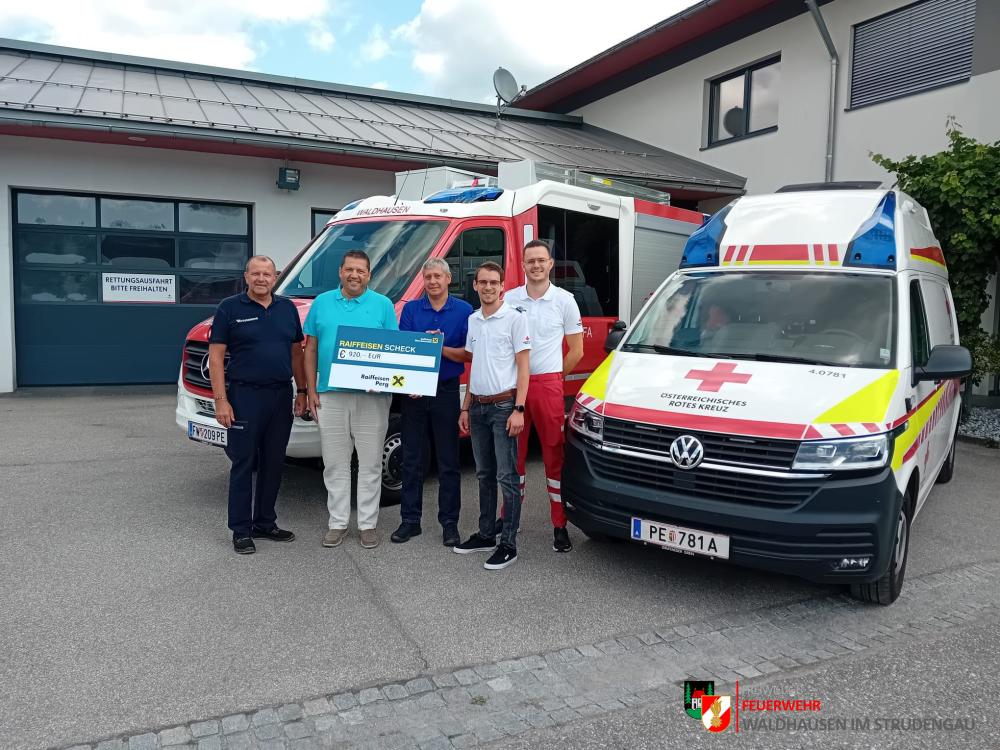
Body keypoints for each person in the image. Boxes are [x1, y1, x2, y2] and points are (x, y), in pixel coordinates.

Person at [208, 255, 307, 555]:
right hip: (244, 396)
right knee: (244, 463)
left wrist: (302, 391)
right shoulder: (229, 308)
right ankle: (241, 529)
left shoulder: (287, 309)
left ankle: (265, 522)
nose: (261, 279)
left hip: (280, 395)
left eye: (267, 274)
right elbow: (216, 358)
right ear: (246, 277)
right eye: (256, 274)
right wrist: (221, 401)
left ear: (275, 277)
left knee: (274, 462)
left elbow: (297, 354)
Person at [304, 250, 398, 550]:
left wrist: (383, 380)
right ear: (340, 272)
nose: (354, 275)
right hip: (330, 396)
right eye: (349, 269)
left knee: (370, 464)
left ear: (369, 275)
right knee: (334, 464)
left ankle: (368, 524)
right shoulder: (321, 303)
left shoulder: (383, 305)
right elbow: (310, 349)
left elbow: (394, 351)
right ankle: (338, 523)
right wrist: (310, 390)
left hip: (372, 399)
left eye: (360, 270)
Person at [504, 239, 584, 553]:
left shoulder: (565, 300)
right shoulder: (510, 298)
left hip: (548, 385)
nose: (536, 265)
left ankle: (559, 525)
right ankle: (509, 518)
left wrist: (554, 378)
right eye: (530, 261)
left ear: (550, 264)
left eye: (541, 260)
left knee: (554, 457)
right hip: (515, 386)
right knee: (513, 457)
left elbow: (576, 350)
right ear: (523, 265)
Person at [453, 261, 531, 570]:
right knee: (484, 474)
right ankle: (486, 535)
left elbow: (523, 367)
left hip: (503, 407)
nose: (487, 287)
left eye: (493, 282)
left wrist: (519, 409)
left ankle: (508, 544)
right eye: (482, 282)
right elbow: (475, 366)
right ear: (475, 286)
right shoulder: (473, 320)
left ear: (502, 286)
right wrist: (466, 406)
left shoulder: (515, 319)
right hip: (478, 407)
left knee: (506, 476)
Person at [392, 258, 473, 547]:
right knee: (412, 459)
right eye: (428, 277)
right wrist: (411, 381)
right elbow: (405, 351)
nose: (433, 281)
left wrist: (441, 347)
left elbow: (469, 354)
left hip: (446, 391)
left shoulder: (464, 311)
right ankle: (410, 521)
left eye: (438, 276)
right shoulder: (411, 310)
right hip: (414, 393)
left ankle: (449, 524)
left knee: (448, 461)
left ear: (449, 279)